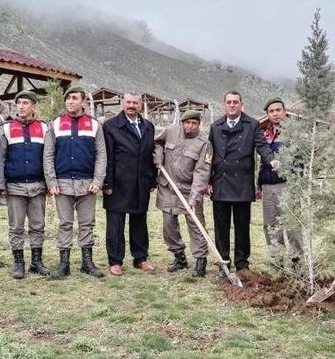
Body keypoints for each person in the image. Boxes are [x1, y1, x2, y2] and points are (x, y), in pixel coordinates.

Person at [208, 91, 276, 273]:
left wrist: (271, 159)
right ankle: (223, 262)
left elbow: (262, 146)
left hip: (242, 183)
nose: (232, 105)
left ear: (241, 105)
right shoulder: (215, 126)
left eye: (235, 102)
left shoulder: (252, 125)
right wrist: (208, 180)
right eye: (229, 102)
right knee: (221, 226)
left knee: (242, 226)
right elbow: (209, 155)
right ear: (224, 104)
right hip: (220, 182)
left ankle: (242, 263)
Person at [44, 86, 107, 279]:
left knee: (87, 224)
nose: (70, 102)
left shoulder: (94, 125)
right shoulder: (55, 124)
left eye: (74, 98)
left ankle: (87, 262)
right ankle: (64, 263)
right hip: (62, 182)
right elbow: (48, 154)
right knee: (65, 224)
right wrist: (51, 180)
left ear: (83, 103)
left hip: (87, 183)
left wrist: (98, 180)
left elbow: (101, 154)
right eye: (68, 99)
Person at [0, 90, 51, 279]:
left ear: (33, 106)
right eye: (19, 103)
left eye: (26, 103)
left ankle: (36, 262)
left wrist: (50, 183)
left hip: (38, 186)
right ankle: (18, 263)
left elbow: (49, 158)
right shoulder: (6, 129)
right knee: (16, 227)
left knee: (38, 225)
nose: (22, 106)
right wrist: (0, 185)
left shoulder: (44, 129)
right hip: (15, 187)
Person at [102, 93, 157, 276]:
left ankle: (140, 257)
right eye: (128, 102)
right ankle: (115, 260)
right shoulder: (111, 126)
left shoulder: (148, 126)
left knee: (139, 221)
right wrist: (107, 182)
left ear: (141, 105)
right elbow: (107, 156)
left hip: (141, 181)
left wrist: (151, 178)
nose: (131, 105)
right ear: (123, 103)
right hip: (118, 182)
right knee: (116, 223)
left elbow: (150, 155)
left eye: (135, 102)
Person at [154, 109, 211, 276]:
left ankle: (201, 260)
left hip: (189, 190)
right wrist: (158, 158)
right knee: (169, 225)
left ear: (199, 124)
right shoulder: (171, 131)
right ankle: (179, 257)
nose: (190, 127)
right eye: (187, 123)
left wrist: (194, 198)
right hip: (167, 187)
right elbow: (157, 143)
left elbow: (202, 172)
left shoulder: (204, 144)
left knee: (196, 225)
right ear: (182, 123)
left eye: (194, 123)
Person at [256, 97, 302, 271]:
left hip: (288, 185)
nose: (275, 114)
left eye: (278, 110)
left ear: (284, 111)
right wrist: (259, 184)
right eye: (271, 111)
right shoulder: (264, 134)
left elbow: (301, 160)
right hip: (268, 186)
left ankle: (297, 261)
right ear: (267, 115)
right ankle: (277, 261)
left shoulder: (294, 133)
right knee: (270, 225)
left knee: (292, 224)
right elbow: (262, 161)